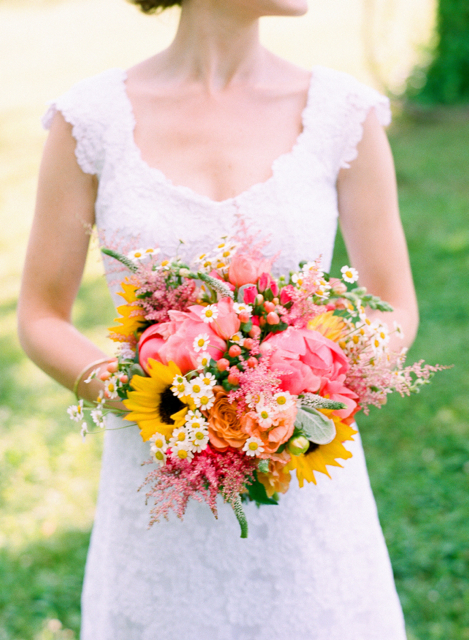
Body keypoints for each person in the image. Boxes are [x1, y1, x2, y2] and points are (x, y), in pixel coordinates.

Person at [18, 0, 419, 638]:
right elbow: (40, 315)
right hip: (154, 503)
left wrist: (312, 390)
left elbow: (395, 302)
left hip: (304, 494)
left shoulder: (345, 114)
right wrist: (165, 404)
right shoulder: (89, 119)